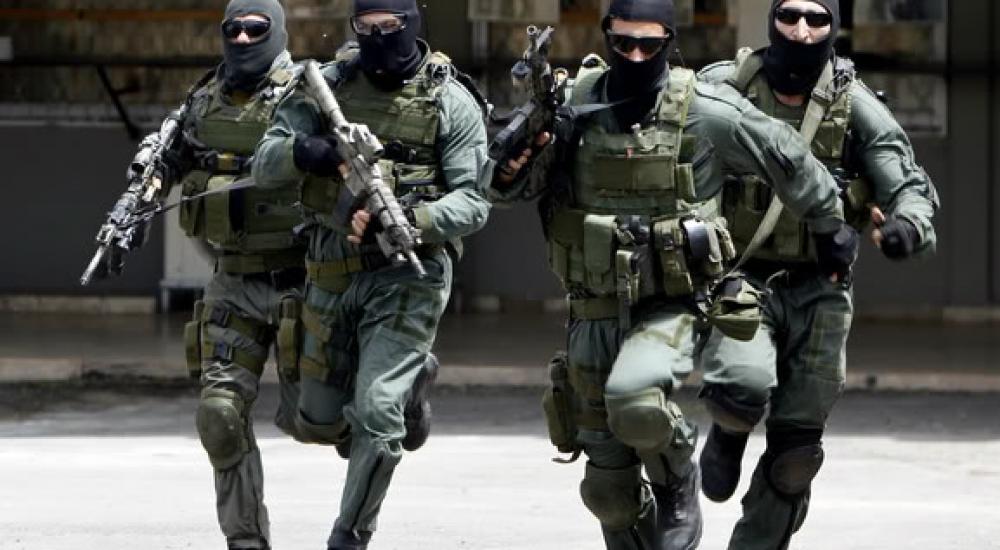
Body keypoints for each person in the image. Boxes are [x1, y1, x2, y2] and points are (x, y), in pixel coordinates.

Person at [489, 0, 860, 548]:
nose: (636, 56)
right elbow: (509, 190)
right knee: (608, 492)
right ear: (606, 36)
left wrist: (829, 226)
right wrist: (510, 168)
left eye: (650, 45)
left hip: (673, 301)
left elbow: (787, 154)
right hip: (592, 307)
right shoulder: (572, 105)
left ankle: (676, 479)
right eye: (624, 44)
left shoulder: (702, 109)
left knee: (636, 400)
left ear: (669, 41)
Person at [694, 1, 940, 548]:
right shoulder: (725, 88)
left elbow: (907, 183)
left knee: (795, 459)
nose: (802, 31)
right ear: (772, 18)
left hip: (821, 289)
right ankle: (729, 430)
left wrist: (906, 227)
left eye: (817, 19)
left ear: (834, 26)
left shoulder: (853, 104)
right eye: (790, 15)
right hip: (743, 278)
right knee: (740, 388)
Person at [252, 0, 490, 547]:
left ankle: (350, 533)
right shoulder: (327, 87)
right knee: (315, 419)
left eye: (392, 25)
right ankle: (411, 385)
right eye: (367, 27)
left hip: (409, 273)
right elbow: (264, 163)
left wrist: (414, 219)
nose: (380, 37)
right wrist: (307, 151)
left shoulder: (449, 99)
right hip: (332, 267)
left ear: (413, 22)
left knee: (376, 412)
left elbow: (474, 201)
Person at [109, 1, 309, 547]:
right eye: (232, 29)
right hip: (234, 280)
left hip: (306, 279)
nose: (242, 38)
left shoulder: (310, 94)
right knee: (220, 416)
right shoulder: (203, 101)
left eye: (256, 29)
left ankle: (404, 391)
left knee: (317, 420)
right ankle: (245, 540)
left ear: (277, 32)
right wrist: (132, 215)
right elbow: (162, 163)